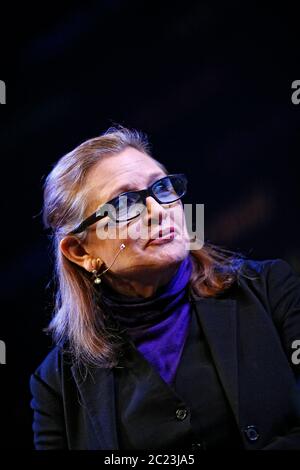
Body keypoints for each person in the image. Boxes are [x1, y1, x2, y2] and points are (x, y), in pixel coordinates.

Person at [30, 126, 300, 450]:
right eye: (125, 204)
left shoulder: (271, 289)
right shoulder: (55, 385)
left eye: (162, 187)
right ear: (80, 252)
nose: (158, 211)